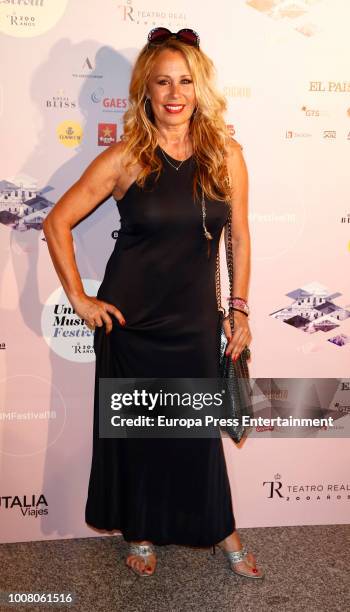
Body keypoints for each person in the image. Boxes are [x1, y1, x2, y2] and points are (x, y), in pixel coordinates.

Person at [43, 27, 264, 579]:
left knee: (194, 437)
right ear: (146, 89)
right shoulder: (125, 158)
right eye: (163, 81)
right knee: (138, 435)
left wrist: (239, 308)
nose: (174, 92)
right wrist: (80, 298)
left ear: (199, 87)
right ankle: (139, 531)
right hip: (131, 325)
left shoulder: (226, 154)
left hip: (192, 324)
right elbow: (56, 222)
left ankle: (224, 533)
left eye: (185, 81)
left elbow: (237, 234)